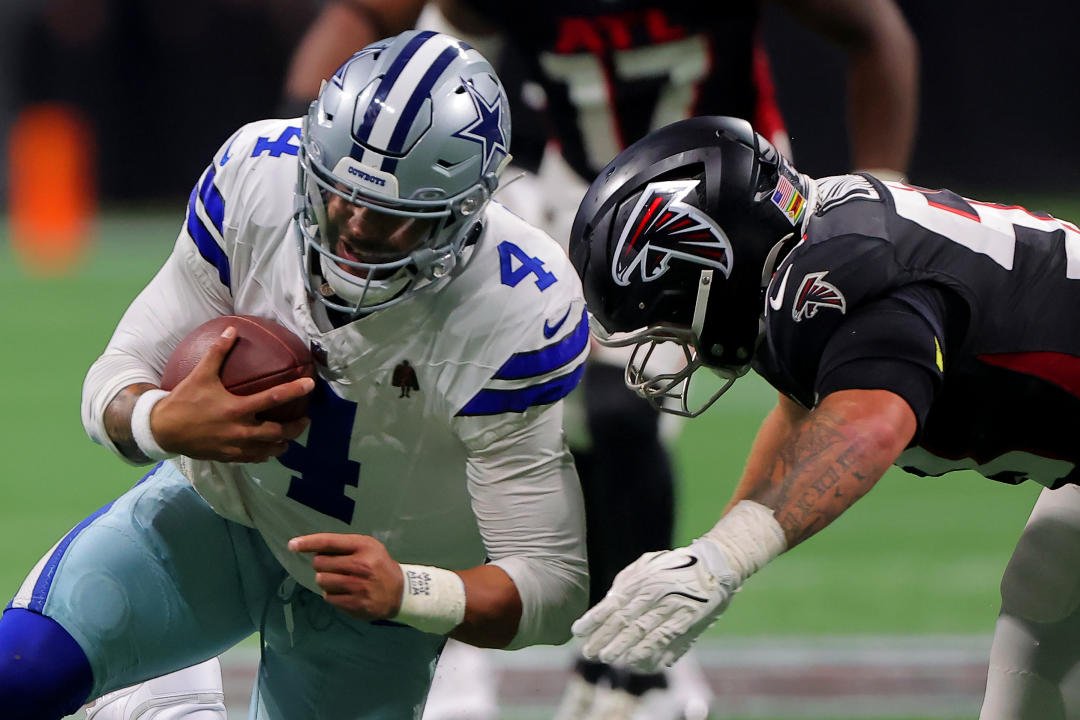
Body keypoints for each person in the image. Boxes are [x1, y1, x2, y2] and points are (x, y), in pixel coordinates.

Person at [276, 2, 919, 718]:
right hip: (575, 193)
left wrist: (881, 197)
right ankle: (578, 645)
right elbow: (406, 45)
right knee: (521, 414)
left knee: (620, 415)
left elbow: (875, 33)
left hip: (719, 207)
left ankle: (639, 667)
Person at [0, 29, 590, 719]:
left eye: (392, 216)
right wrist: (159, 420)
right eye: (338, 191)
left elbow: (550, 587)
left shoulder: (519, 308)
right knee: (19, 672)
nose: (352, 225)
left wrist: (411, 592)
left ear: (462, 215)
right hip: (225, 514)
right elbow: (118, 373)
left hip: (373, 595)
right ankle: (149, 696)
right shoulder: (260, 173)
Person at [568, 114, 1080, 719]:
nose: (672, 338)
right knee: (1047, 591)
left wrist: (725, 560)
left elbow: (872, 423)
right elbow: (811, 412)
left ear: (715, 258)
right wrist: (711, 557)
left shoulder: (838, 268)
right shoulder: (807, 255)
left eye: (670, 313)